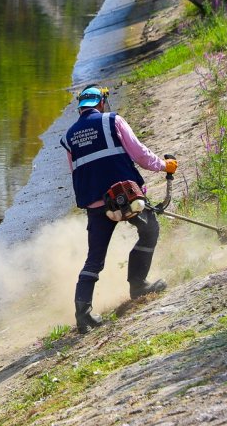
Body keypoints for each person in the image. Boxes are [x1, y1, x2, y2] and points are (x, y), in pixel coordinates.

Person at [59, 85, 178, 334]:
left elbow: (76, 172)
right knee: (150, 230)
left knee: (94, 258)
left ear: (80, 106)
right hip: (126, 194)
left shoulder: (69, 137)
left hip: (96, 204)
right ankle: (138, 284)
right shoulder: (112, 120)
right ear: (101, 102)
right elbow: (140, 155)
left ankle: (83, 315)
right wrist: (164, 166)